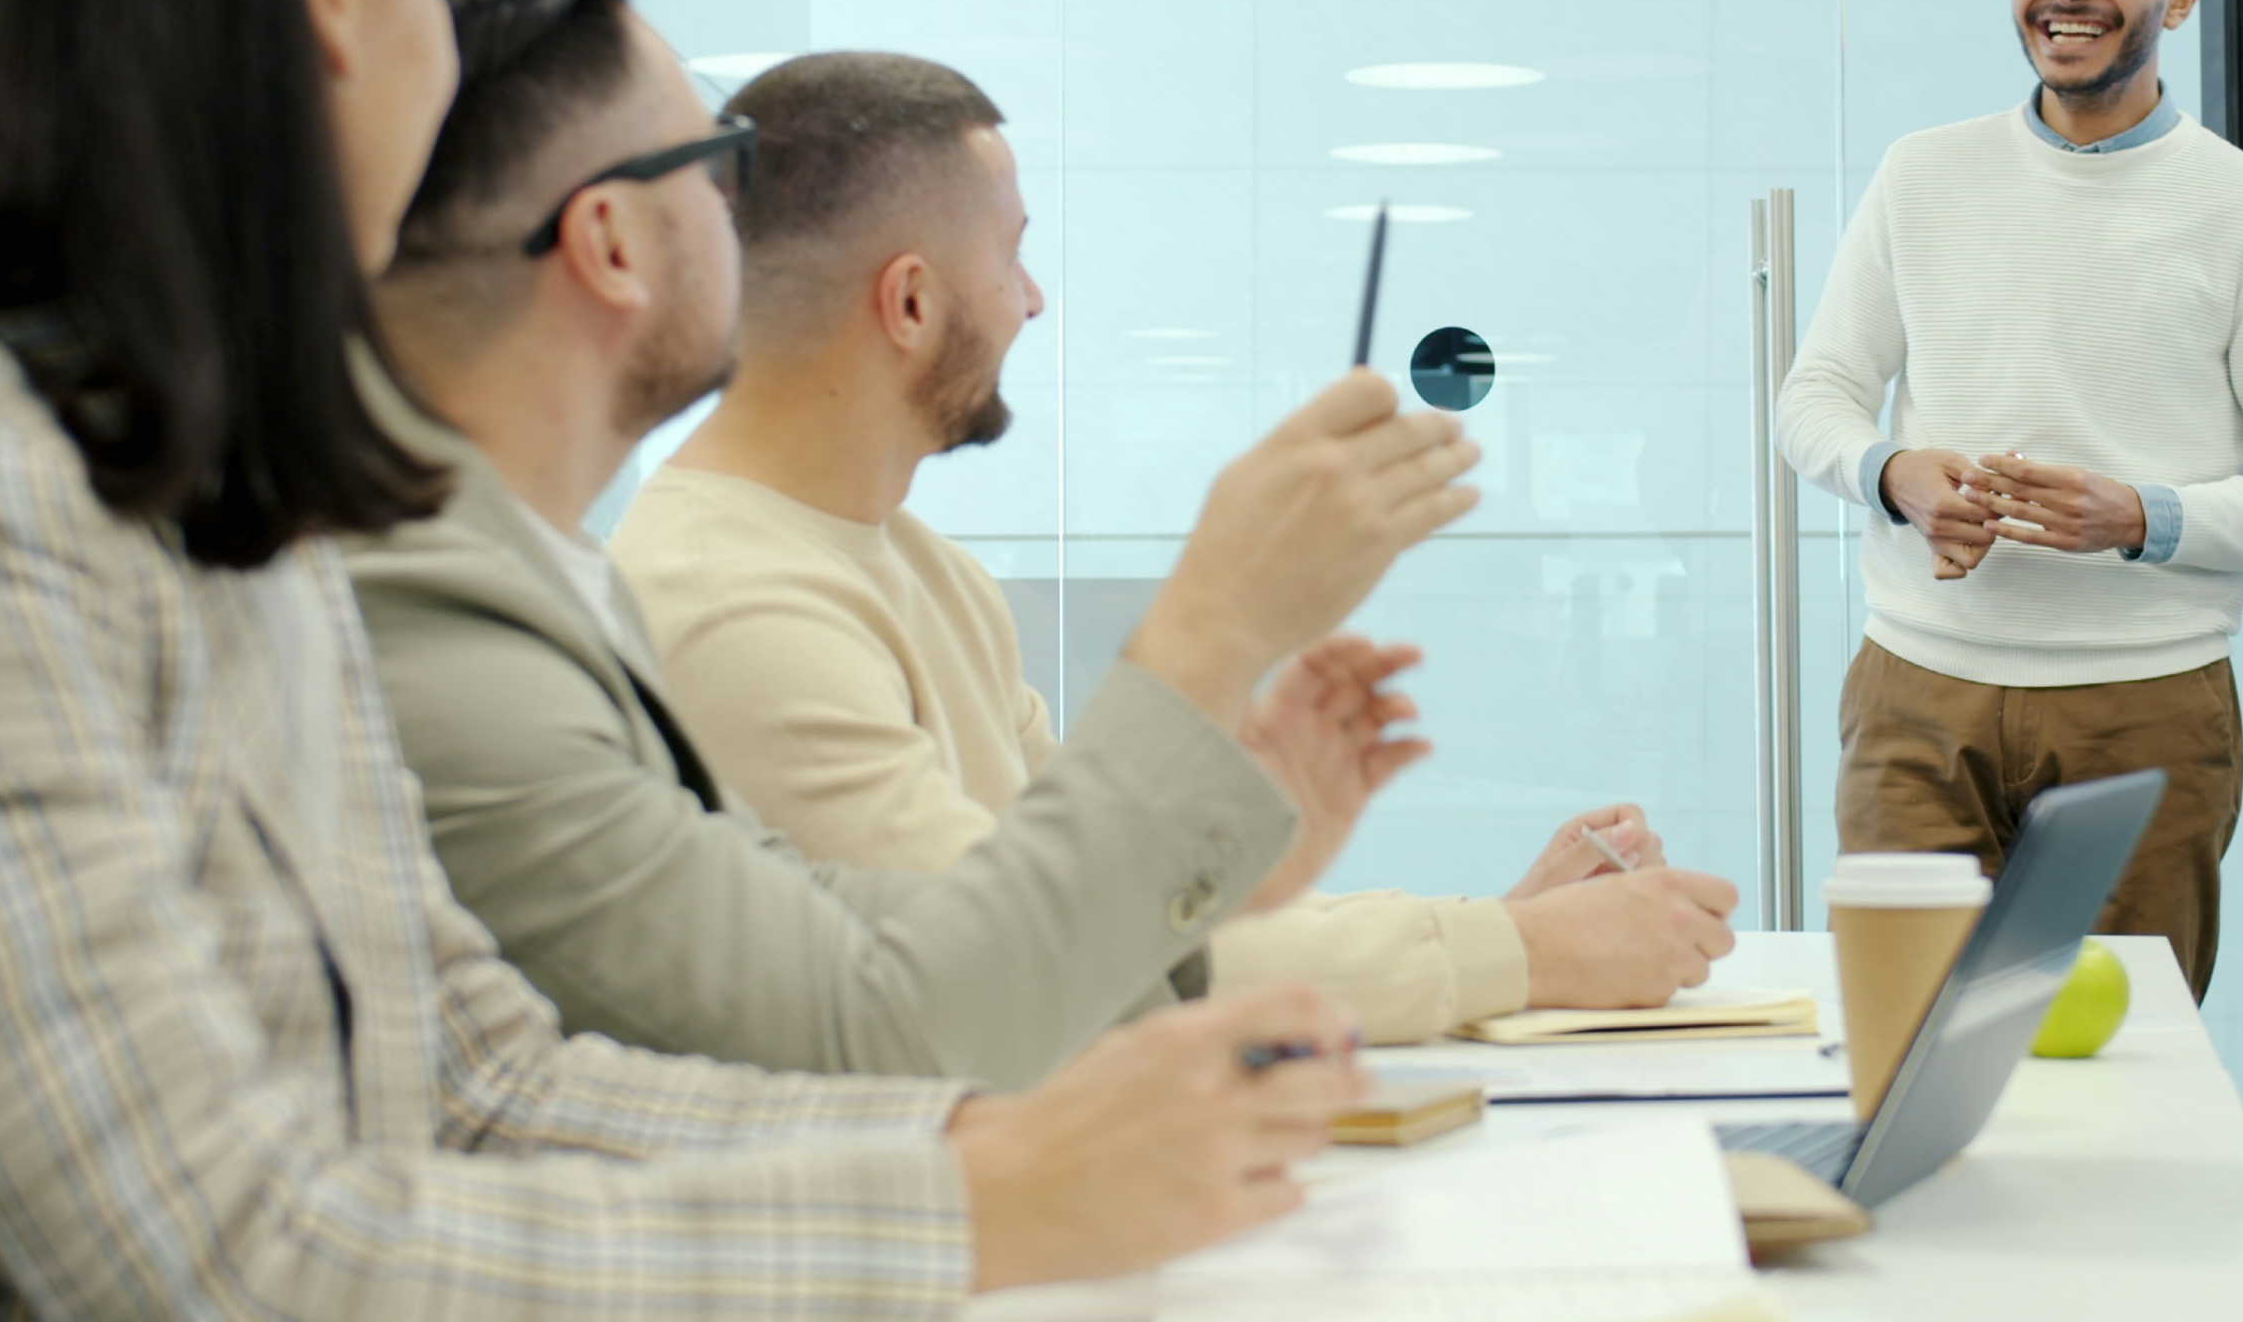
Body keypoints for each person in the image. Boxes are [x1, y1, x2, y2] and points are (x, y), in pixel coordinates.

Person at [0, 0, 1370, 1316]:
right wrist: (979, 1208)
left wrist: (977, 1159)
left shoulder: (232, 510)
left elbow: (478, 1081)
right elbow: (225, 1249)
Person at [352, 0, 1472, 1087]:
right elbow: (917, 1010)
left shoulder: (561, 591)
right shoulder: (512, 620)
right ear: (613, 241)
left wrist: (1233, 828)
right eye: (713, 169)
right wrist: (1218, 622)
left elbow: (950, 940)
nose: (746, 225)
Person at [609, 51, 1742, 1044]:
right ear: (909, 302)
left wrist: (1512, 927)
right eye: (1013, 256)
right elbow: (1039, 971)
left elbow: (1120, 918)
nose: (1032, 301)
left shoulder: (926, 571)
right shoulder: (730, 604)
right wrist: (1517, 949)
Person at [1775, 0, 2243, 1002]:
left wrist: (2140, 515)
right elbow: (1815, 397)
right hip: (1914, 689)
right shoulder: (1920, 173)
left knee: (2123, 1057)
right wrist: (1894, 474)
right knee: (1897, 1037)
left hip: (2142, 704)